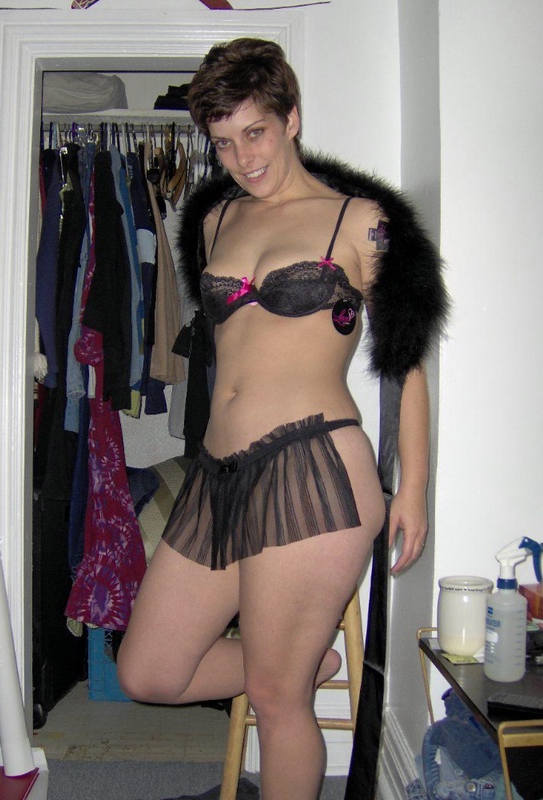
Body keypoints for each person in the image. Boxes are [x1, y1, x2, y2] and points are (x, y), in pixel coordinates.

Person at [117, 37, 448, 800]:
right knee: (148, 671)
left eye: (256, 132)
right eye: (224, 143)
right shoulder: (214, 220)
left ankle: (284, 675)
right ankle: (295, 663)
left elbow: (404, 361)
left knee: (275, 702)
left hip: (315, 468)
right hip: (216, 475)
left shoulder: (359, 222)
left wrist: (414, 488)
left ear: (291, 118)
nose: (242, 158)